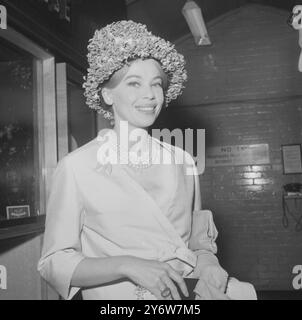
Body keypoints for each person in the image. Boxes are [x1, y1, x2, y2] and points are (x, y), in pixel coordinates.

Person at [37, 20, 230, 300]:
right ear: (107, 94)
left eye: (156, 84)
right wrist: (127, 266)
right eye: (134, 83)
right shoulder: (77, 167)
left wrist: (209, 264)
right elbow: (53, 262)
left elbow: (198, 245)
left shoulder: (183, 161)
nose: (149, 95)